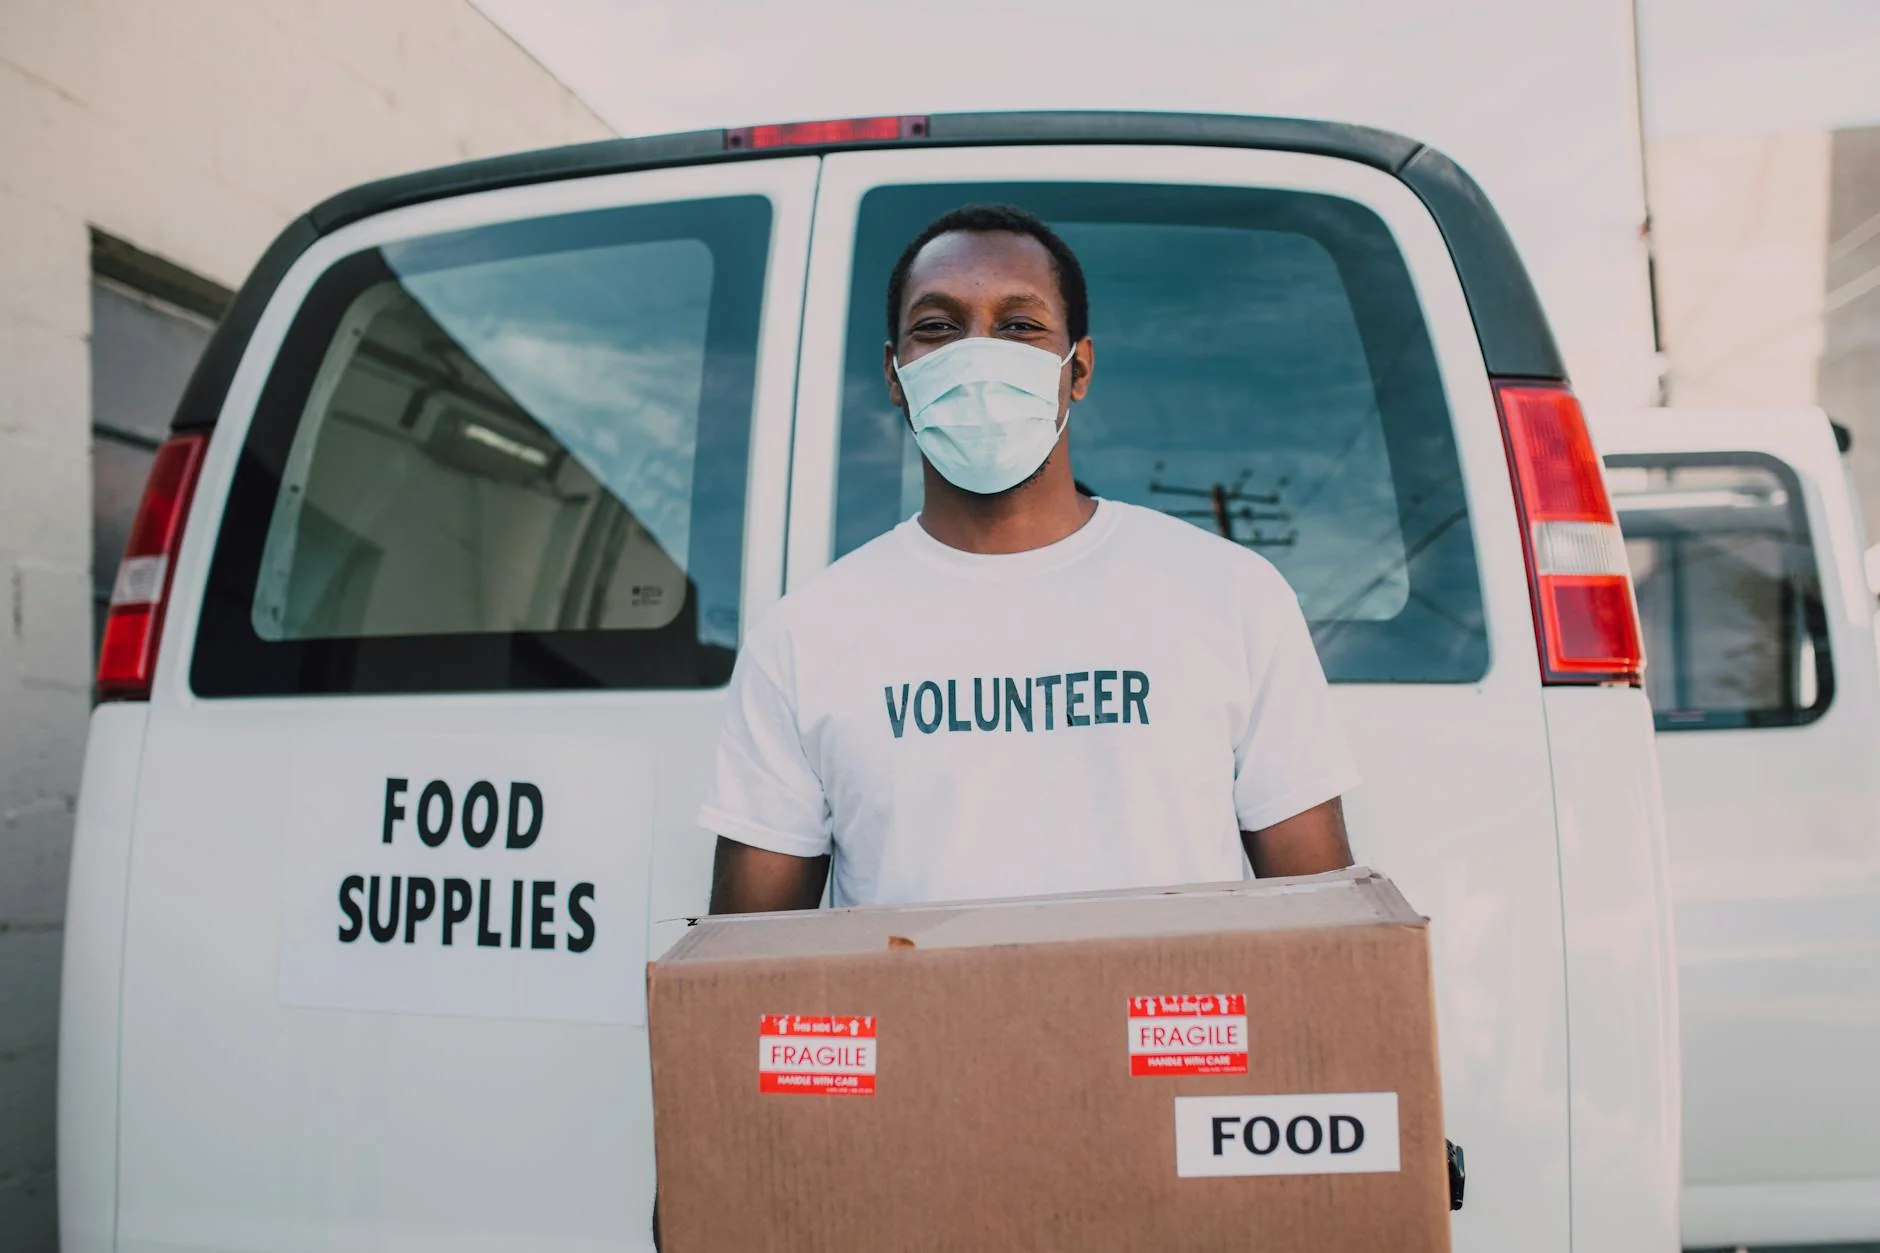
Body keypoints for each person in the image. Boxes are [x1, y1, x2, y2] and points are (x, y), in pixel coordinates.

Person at [699, 203, 1358, 915]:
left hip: (1162, 1027)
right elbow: (749, 963)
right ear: (895, 375)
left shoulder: (1231, 597)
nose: (977, 357)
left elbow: (1323, 925)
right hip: (924, 1031)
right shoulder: (802, 638)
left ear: (1078, 370)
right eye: (937, 328)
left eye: (1019, 326)